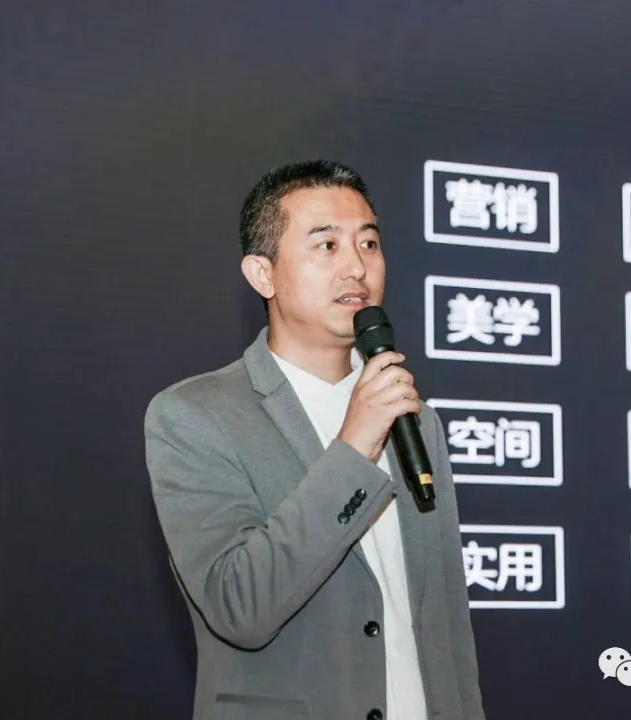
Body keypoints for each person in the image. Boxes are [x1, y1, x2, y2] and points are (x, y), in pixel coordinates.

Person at [144, 160, 486, 720]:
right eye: (327, 245)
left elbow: (446, 624)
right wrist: (354, 447)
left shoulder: (414, 418)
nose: (357, 266)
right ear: (263, 274)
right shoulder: (194, 415)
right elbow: (239, 606)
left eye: (369, 243)